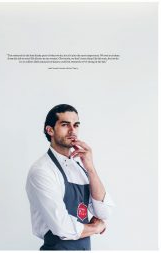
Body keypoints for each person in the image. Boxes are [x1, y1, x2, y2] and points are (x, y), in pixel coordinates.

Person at [26, 104, 114, 250]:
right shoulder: (42, 170)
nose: (72, 130)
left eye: (76, 125)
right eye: (65, 125)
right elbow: (62, 227)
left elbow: (103, 211)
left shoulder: (80, 168)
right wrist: (96, 228)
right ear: (50, 130)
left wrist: (90, 168)